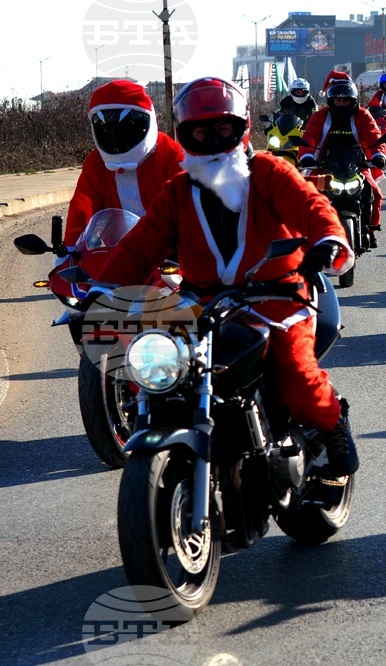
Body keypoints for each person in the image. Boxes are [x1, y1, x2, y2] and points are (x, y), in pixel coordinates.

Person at [97, 77, 359, 478]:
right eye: (200, 131)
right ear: (185, 134)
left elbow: (313, 206)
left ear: (241, 127)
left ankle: (332, 423)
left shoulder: (269, 172)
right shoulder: (179, 190)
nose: (213, 138)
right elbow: (140, 245)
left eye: (223, 128)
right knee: (161, 370)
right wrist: (101, 292)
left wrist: (328, 240)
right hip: (203, 305)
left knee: (295, 372)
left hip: (277, 300)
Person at [66, 79, 186, 245]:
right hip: (113, 255)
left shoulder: (171, 156)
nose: (115, 138)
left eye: (125, 129)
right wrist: (70, 254)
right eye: (106, 130)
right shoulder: (95, 163)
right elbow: (81, 208)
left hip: (167, 254)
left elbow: (191, 211)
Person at [299, 71, 386, 245]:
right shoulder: (319, 116)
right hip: (325, 166)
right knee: (308, 194)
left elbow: (373, 135)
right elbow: (310, 137)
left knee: (375, 192)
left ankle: (370, 228)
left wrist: (378, 154)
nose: (341, 103)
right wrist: (308, 156)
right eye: (337, 100)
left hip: (356, 165)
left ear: (352, 100)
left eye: (345, 99)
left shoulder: (363, 115)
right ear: (331, 100)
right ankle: (311, 234)